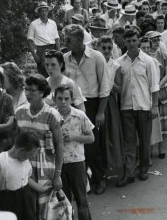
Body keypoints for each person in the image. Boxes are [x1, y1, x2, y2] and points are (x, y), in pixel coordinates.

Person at [15, 74, 64, 220]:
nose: (27, 93)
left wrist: (58, 173)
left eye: (32, 90)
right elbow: (17, 141)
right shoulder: (19, 112)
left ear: (42, 92)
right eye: (26, 89)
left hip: (46, 164)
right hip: (25, 164)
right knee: (28, 207)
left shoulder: (52, 114)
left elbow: (60, 144)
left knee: (46, 208)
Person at [63, 25, 111, 193]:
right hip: (70, 104)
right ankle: (85, 181)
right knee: (75, 143)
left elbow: (105, 86)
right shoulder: (64, 58)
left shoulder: (96, 57)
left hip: (92, 104)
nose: (65, 42)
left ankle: (100, 178)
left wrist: (100, 112)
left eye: (68, 39)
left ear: (79, 39)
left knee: (94, 144)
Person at [116, 28, 160, 186]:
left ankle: (144, 169)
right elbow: (119, 86)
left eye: (134, 40)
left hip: (144, 106)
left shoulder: (148, 61)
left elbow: (154, 86)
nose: (132, 44)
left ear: (139, 41)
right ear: (124, 42)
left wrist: (154, 106)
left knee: (144, 140)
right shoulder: (119, 62)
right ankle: (129, 173)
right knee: (129, 142)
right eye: (128, 41)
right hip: (126, 107)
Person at [53, 85, 95, 220]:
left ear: (71, 99)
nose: (63, 102)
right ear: (55, 99)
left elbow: (91, 138)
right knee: (64, 200)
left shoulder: (79, 115)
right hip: (59, 164)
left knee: (81, 199)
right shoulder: (52, 116)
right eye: (59, 98)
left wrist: (75, 136)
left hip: (77, 162)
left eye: (66, 99)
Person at [96, 35, 125, 194]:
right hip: (96, 103)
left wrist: (109, 81)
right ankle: (100, 176)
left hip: (110, 105)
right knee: (98, 141)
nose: (106, 51)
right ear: (98, 48)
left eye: (109, 48)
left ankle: (117, 172)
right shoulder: (94, 63)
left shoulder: (115, 66)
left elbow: (120, 89)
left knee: (112, 137)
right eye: (103, 48)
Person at [27, 2, 61, 77]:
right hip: (42, 50)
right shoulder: (34, 24)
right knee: (43, 73)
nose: (44, 13)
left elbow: (57, 39)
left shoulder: (52, 23)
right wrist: (35, 56)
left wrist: (59, 52)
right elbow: (29, 41)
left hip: (53, 48)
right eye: (42, 11)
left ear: (48, 11)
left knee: (55, 72)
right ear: (38, 12)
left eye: (45, 11)